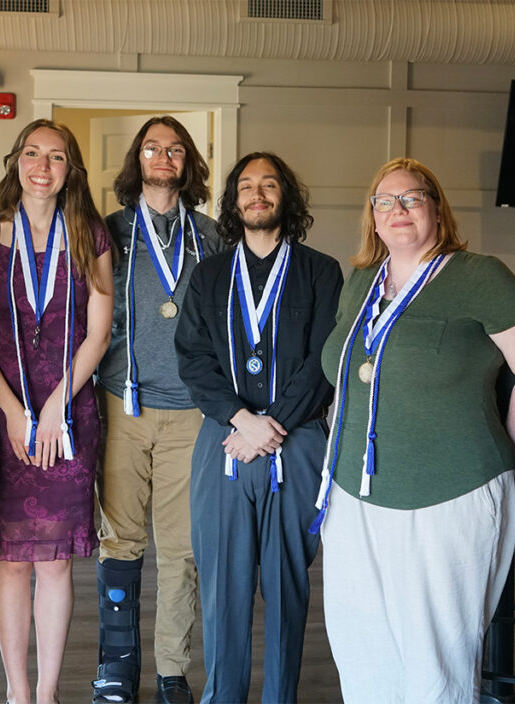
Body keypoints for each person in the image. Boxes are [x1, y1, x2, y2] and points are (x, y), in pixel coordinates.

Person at [315, 157, 515, 704]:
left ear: (436, 209)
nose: (397, 209)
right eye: (385, 201)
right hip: (356, 493)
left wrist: (501, 448)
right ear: (373, 219)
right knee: (362, 642)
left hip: (449, 493)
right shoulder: (360, 281)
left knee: (435, 658)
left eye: (412, 198)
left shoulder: (479, 276)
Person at [174, 152, 342, 703]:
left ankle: (280, 697)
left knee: (286, 582)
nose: (258, 193)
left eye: (269, 184)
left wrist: (274, 427)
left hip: (296, 445)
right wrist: (244, 421)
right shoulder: (211, 274)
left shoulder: (321, 271)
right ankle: (222, 696)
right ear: (234, 200)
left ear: (286, 197)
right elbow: (194, 359)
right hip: (224, 441)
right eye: (247, 185)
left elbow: (324, 359)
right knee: (223, 584)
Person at [0, 119, 113, 704]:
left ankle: (47, 692)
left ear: (70, 168)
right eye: (32, 153)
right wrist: (16, 413)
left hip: (69, 417)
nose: (42, 166)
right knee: (12, 563)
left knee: (54, 564)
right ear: (15, 160)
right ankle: (17, 693)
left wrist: (52, 408)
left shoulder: (90, 233)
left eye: (56, 156)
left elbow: (97, 334)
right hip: (3, 416)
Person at [92, 116, 222, 704]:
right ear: (137, 160)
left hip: (191, 413)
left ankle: (172, 670)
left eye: (174, 149)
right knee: (120, 542)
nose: (163, 156)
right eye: (152, 148)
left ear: (187, 162)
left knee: (181, 549)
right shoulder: (108, 231)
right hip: (123, 403)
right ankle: (117, 669)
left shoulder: (213, 236)